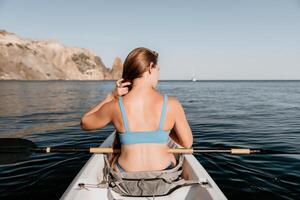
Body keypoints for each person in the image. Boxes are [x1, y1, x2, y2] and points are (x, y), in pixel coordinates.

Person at [80, 47, 193, 172]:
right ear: (151, 67)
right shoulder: (172, 104)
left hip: (126, 179)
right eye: (158, 70)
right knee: (172, 157)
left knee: (112, 158)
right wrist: (166, 129)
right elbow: (187, 144)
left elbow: (85, 123)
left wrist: (111, 97)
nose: (158, 75)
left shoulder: (115, 105)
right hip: (164, 177)